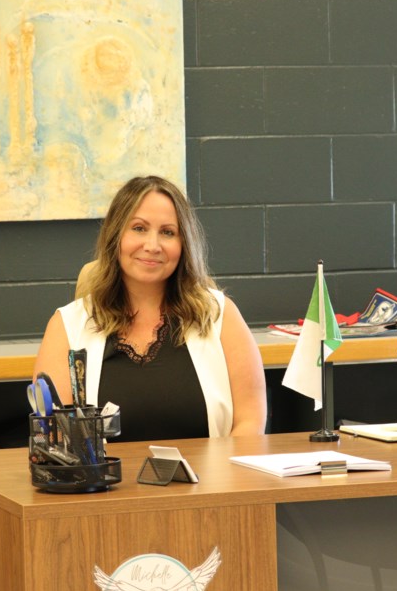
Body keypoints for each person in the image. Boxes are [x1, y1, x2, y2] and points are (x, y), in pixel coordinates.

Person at [33, 175, 267, 440]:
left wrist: (219, 479)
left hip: (210, 480)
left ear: (184, 244)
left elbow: (250, 423)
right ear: (115, 235)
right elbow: (55, 437)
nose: (153, 246)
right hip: (105, 483)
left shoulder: (220, 315)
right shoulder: (67, 325)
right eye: (139, 228)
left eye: (168, 232)